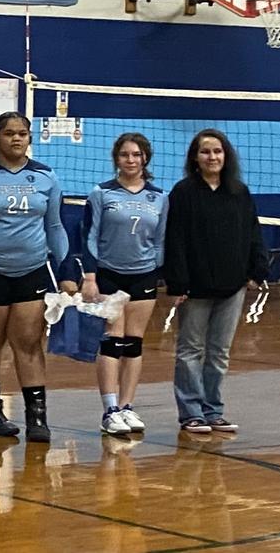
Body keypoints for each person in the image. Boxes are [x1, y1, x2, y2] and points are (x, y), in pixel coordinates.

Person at [0, 112, 77, 443]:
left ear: (29, 137)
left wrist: (66, 272)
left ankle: (37, 417)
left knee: (29, 342)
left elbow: (55, 226)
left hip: (31, 271)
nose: (16, 139)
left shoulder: (46, 176)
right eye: (9, 133)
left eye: (22, 133)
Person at [165, 128, 266, 435]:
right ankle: (191, 414)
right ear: (195, 158)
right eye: (206, 151)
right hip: (195, 288)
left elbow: (252, 232)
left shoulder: (239, 192)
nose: (212, 157)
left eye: (217, 151)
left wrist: (256, 271)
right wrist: (178, 283)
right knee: (190, 351)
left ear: (226, 155)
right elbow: (175, 239)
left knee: (219, 352)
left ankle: (213, 411)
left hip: (232, 286)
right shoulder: (183, 192)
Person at [81, 132, 167, 437]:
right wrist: (90, 276)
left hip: (144, 275)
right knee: (112, 340)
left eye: (136, 155)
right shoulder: (102, 193)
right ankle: (110, 410)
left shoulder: (159, 197)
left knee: (134, 342)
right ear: (116, 159)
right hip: (110, 274)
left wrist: (159, 274)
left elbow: (161, 241)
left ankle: (127, 406)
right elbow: (89, 236)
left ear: (145, 158)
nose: (130, 160)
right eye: (124, 154)